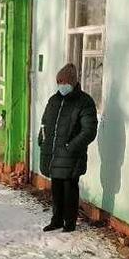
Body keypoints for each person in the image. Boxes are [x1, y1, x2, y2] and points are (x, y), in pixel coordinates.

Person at [37, 63, 98, 233]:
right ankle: (56, 220)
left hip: (71, 156)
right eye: (58, 81)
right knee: (56, 189)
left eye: (63, 81)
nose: (60, 85)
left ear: (72, 82)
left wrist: (71, 147)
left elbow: (89, 131)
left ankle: (69, 223)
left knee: (69, 189)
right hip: (55, 154)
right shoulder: (54, 100)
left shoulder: (84, 102)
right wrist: (41, 138)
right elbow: (45, 122)